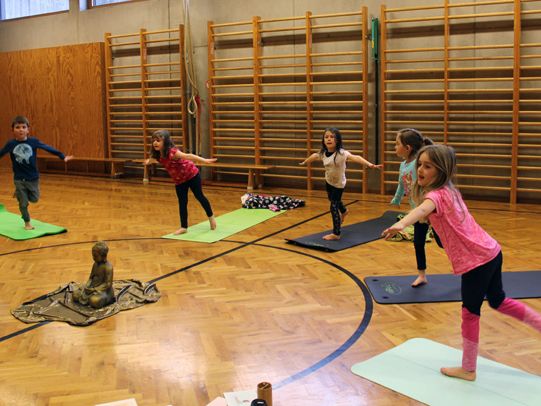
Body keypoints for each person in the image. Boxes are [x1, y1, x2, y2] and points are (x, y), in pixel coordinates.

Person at [382, 144, 541, 381]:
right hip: (492, 251)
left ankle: (468, 368)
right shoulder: (450, 190)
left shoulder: (436, 196)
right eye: (420, 165)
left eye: (427, 166)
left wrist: (402, 223)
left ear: (442, 170)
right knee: (498, 300)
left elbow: (424, 208)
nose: (421, 170)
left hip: (477, 261)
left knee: (469, 312)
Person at [300, 127, 382, 240]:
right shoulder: (323, 153)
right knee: (333, 200)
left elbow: (356, 157)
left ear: (337, 140)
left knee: (333, 206)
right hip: (328, 181)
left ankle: (336, 233)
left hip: (339, 184)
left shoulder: (342, 153)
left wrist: (369, 164)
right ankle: (344, 210)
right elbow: (314, 156)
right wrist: (305, 162)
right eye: (326, 137)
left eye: (332, 137)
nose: (329, 139)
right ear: (323, 140)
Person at [0, 115, 73, 230]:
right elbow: (1, 153)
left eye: (23, 127)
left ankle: (20, 194)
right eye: (17, 127)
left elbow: (47, 148)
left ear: (28, 130)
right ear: (13, 130)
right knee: (23, 204)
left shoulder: (33, 142)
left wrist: (62, 156)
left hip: (33, 178)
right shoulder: (11, 144)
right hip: (19, 179)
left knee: (34, 199)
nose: (20, 129)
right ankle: (27, 222)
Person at [145, 129, 217, 235]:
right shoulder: (157, 155)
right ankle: (184, 227)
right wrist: (148, 161)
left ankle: (211, 218)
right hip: (179, 181)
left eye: (158, 140)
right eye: (154, 140)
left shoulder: (172, 152)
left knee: (200, 196)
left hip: (191, 175)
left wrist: (204, 160)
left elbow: (189, 156)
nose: (155, 142)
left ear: (165, 142)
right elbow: (154, 160)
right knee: (182, 203)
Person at [390, 128, 434, 287]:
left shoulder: (419, 164)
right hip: (417, 213)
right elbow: (402, 184)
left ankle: (468, 267)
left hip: (432, 211)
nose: (394, 147)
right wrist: (396, 198)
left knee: (444, 243)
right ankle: (422, 275)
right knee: (418, 242)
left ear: (407, 148)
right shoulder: (403, 165)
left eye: (397, 144)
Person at [73, 241, 115, 309]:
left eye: (95, 256)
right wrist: (87, 286)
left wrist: (94, 289)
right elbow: (91, 278)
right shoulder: (95, 264)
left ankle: (102, 300)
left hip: (103, 291)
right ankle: (88, 298)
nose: (93, 258)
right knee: (75, 294)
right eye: (93, 255)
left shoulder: (108, 267)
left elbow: (108, 284)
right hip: (92, 287)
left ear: (103, 256)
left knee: (94, 301)